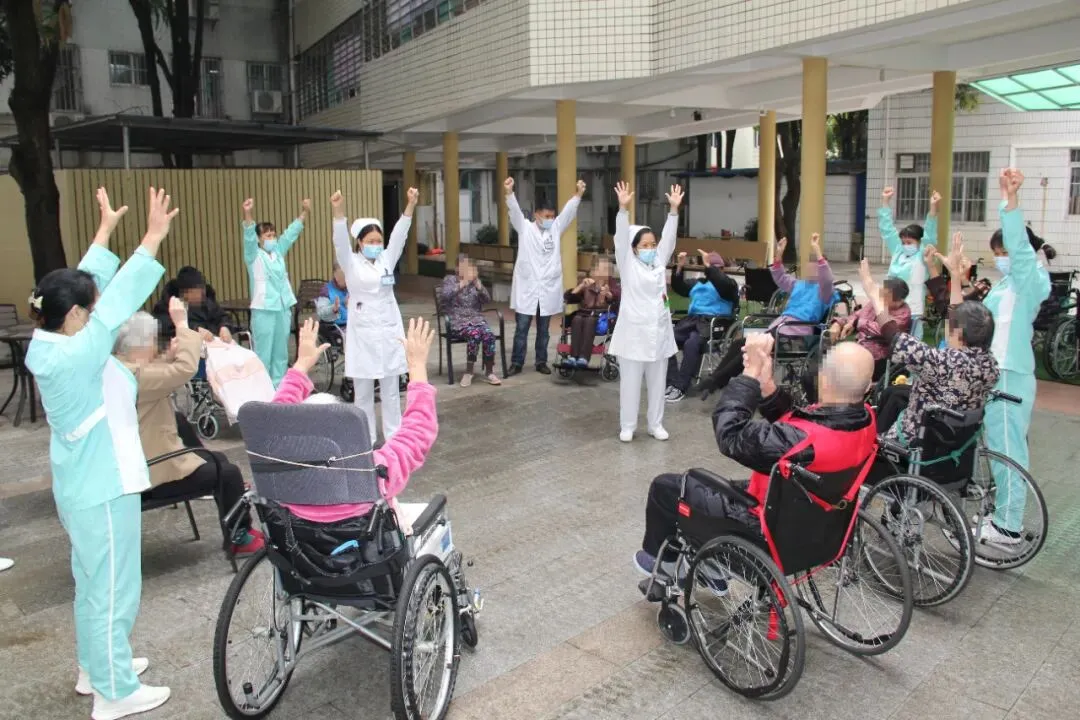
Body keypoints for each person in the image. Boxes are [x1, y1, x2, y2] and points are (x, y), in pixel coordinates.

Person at [25, 187, 178, 720]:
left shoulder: (49, 340)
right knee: (113, 588)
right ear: (74, 317)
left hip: (81, 484)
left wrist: (105, 232)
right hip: (103, 484)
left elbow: (85, 290)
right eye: (86, 312)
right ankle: (114, 692)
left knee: (92, 583)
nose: (95, 315)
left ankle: (96, 667)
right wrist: (152, 238)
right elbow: (114, 303)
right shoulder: (78, 351)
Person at [636, 334, 878, 577]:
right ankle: (712, 568)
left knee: (667, 487)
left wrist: (749, 374)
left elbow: (730, 436)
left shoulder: (800, 441)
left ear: (822, 380)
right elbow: (800, 426)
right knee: (717, 490)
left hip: (767, 533)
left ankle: (665, 566)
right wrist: (766, 384)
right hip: (817, 526)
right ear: (868, 387)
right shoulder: (866, 420)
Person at [114, 299, 261, 557]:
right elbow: (184, 370)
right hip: (148, 475)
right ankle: (238, 537)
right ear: (141, 345)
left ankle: (234, 510)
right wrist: (182, 323)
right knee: (228, 474)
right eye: (154, 342)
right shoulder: (136, 377)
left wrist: (168, 357)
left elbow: (157, 373)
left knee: (215, 456)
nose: (156, 346)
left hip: (137, 464)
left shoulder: (120, 368)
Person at [270, 317, 438, 528]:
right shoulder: (370, 473)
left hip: (301, 543)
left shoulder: (278, 465)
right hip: (363, 543)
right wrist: (417, 368)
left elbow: (275, 419)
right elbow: (418, 431)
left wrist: (301, 365)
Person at [856, 258, 999, 445]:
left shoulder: (942, 362)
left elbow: (894, 335)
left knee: (893, 402)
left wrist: (874, 295)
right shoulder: (990, 364)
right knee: (895, 393)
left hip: (919, 437)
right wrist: (955, 277)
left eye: (951, 326)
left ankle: (873, 445)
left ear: (959, 334)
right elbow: (955, 315)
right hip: (959, 437)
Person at [981, 168, 1051, 543]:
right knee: (997, 447)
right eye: (997, 254)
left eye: (1005, 251)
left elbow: (1021, 254)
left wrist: (1010, 201)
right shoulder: (1006, 284)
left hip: (1011, 374)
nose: (1002, 259)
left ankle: (1008, 525)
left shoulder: (1031, 281)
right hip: (996, 372)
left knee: (1007, 450)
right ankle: (1000, 513)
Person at [330, 187, 418, 445]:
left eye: (378, 241)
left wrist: (410, 205)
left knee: (391, 390)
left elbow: (400, 235)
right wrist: (338, 211)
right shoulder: (350, 262)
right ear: (360, 243)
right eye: (370, 241)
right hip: (363, 333)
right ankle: (365, 439)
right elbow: (339, 242)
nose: (376, 246)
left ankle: (394, 437)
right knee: (363, 393)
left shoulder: (387, 259)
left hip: (388, 330)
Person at [697, 234, 836, 397]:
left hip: (798, 335)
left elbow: (827, 278)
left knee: (754, 348)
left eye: (815, 266)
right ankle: (715, 380)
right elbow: (780, 277)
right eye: (809, 265)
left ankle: (716, 381)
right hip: (780, 329)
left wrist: (816, 250)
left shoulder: (825, 291)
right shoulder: (799, 285)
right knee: (739, 344)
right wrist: (779, 253)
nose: (810, 268)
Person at [608, 180, 683, 443]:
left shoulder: (658, 262)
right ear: (634, 247)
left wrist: (673, 211)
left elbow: (669, 241)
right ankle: (628, 426)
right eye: (645, 245)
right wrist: (623, 210)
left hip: (658, 332)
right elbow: (620, 238)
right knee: (630, 383)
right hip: (633, 333)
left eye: (653, 245)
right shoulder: (628, 264)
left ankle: (655, 424)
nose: (651, 249)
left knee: (658, 382)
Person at [504, 176, 586, 377]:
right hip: (528, 288)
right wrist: (509, 192)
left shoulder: (555, 228)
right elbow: (514, 211)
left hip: (547, 288)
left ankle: (541, 361)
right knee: (522, 328)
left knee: (544, 329)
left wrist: (578, 194)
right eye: (546, 216)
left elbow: (568, 213)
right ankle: (516, 362)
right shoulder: (524, 228)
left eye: (552, 216)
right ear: (536, 215)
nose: (550, 219)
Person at [242, 196, 310, 387]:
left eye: (273, 235)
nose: (271, 238)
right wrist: (248, 214)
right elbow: (248, 238)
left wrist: (304, 212)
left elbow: (290, 234)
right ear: (259, 239)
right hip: (263, 309)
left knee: (281, 352)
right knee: (264, 352)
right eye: (267, 235)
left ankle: (278, 387)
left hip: (282, 306)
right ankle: (262, 389)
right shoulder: (253, 256)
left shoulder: (278, 252)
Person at [666, 249, 739, 401]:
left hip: (714, 323)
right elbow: (679, 287)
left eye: (715, 269)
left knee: (692, 343)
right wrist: (679, 267)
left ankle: (680, 387)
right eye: (710, 268)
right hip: (692, 321)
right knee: (667, 339)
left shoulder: (729, 285)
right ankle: (672, 382)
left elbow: (721, 281)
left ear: (722, 269)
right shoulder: (698, 283)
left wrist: (709, 267)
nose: (713, 272)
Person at [878, 186, 940, 339]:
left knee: (912, 346)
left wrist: (933, 209)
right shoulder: (898, 251)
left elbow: (930, 234)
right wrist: (885, 202)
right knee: (890, 345)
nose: (905, 245)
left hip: (913, 311)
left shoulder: (922, 255)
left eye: (910, 242)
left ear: (919, 242)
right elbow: (887, 230)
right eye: (903, 242)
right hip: (891, 309)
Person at [827, 276, 911, 380]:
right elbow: (857, 315)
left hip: (880, 356)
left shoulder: (903, 314)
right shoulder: (877, 302)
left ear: (898, 300)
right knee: (831, 359)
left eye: (885, 294)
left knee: (840, 366)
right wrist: (839, 323)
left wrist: (857, 323)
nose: (880, 296)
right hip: (861, 349)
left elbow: (882, 328)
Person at [438, 255, 501, 387]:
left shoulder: (475, 283)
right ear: (457, 268)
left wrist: (479, 286)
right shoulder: (450, 280)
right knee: (475, 334)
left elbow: (487, 300)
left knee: (489, 335)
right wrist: (463, 283)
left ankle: (489, 372)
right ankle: (469, 372)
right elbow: (445, 295)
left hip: (476, 319)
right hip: (458, 321)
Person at [562, 255, 620, 367]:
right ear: (593, 270)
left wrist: (608, 294)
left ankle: (584, 357)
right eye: (600, 269)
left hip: (601, 317)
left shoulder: (611, 285)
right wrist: (581, 286)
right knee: (577, 319)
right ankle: (573, 357)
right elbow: (569, 298)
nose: (603, 272)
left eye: (606, 269)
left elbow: (617, 296)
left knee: (589, 321)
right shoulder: (587, 283)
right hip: (583, 314)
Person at [151, 266, 232, 343]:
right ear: (184, 293)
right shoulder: (167, 306)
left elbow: (222, 316)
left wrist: (224, 327)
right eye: (196, 292)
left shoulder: (207, 302)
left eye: (202, 289)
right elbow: (165, 326)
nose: (201, 295)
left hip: (213, 345)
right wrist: (195, 329)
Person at [315, 262, 349, 330]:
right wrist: (333, 309)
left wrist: (352, 307)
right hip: (333, 328)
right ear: (335, 276)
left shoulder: (354, 288)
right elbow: (321, 312)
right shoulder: (327, 290)